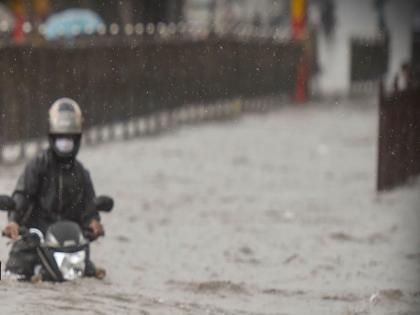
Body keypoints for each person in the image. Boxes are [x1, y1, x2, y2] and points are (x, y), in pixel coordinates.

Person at [2, 97, 105, 280]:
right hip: (36, 242)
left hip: (71, 246)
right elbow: (22, 196)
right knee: (16, 272)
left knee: (94, 276)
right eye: (60, 139)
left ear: (77, 139)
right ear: (52, 137)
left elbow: (89, 207)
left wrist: (94, 223)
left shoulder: (81, 173)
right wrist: (14, 222)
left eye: (70, 139)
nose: (65, 143)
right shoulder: (37, 166)